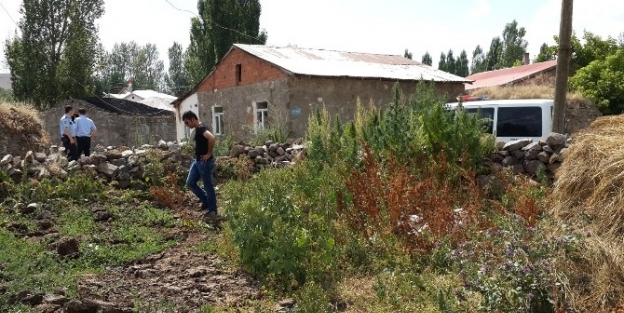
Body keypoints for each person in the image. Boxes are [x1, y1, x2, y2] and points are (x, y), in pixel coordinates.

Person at [182, 111, 219, 219]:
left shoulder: (201, 128)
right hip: (197, 161)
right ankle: (206, 201)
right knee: (190, 182)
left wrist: (208, 154)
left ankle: (213, 210)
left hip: (205, 163)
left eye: (187, 122)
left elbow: (211, 138)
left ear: (193, 119)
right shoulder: (198, 129)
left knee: (208, 186)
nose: (187, 125)